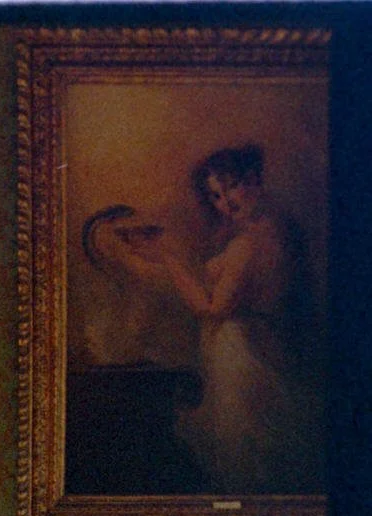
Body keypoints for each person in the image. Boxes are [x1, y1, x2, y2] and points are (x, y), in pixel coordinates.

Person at [98, 143, 320, 494]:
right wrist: (167, 254)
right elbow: (216, 282)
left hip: (244, 358)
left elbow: (211, 307)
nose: (225, 203)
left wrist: (169, 260)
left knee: (244, 456)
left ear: (253, 179)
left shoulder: (248, 244)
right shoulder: (270, 229)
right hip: (250, 349)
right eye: (215, 195)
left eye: (231, 187)